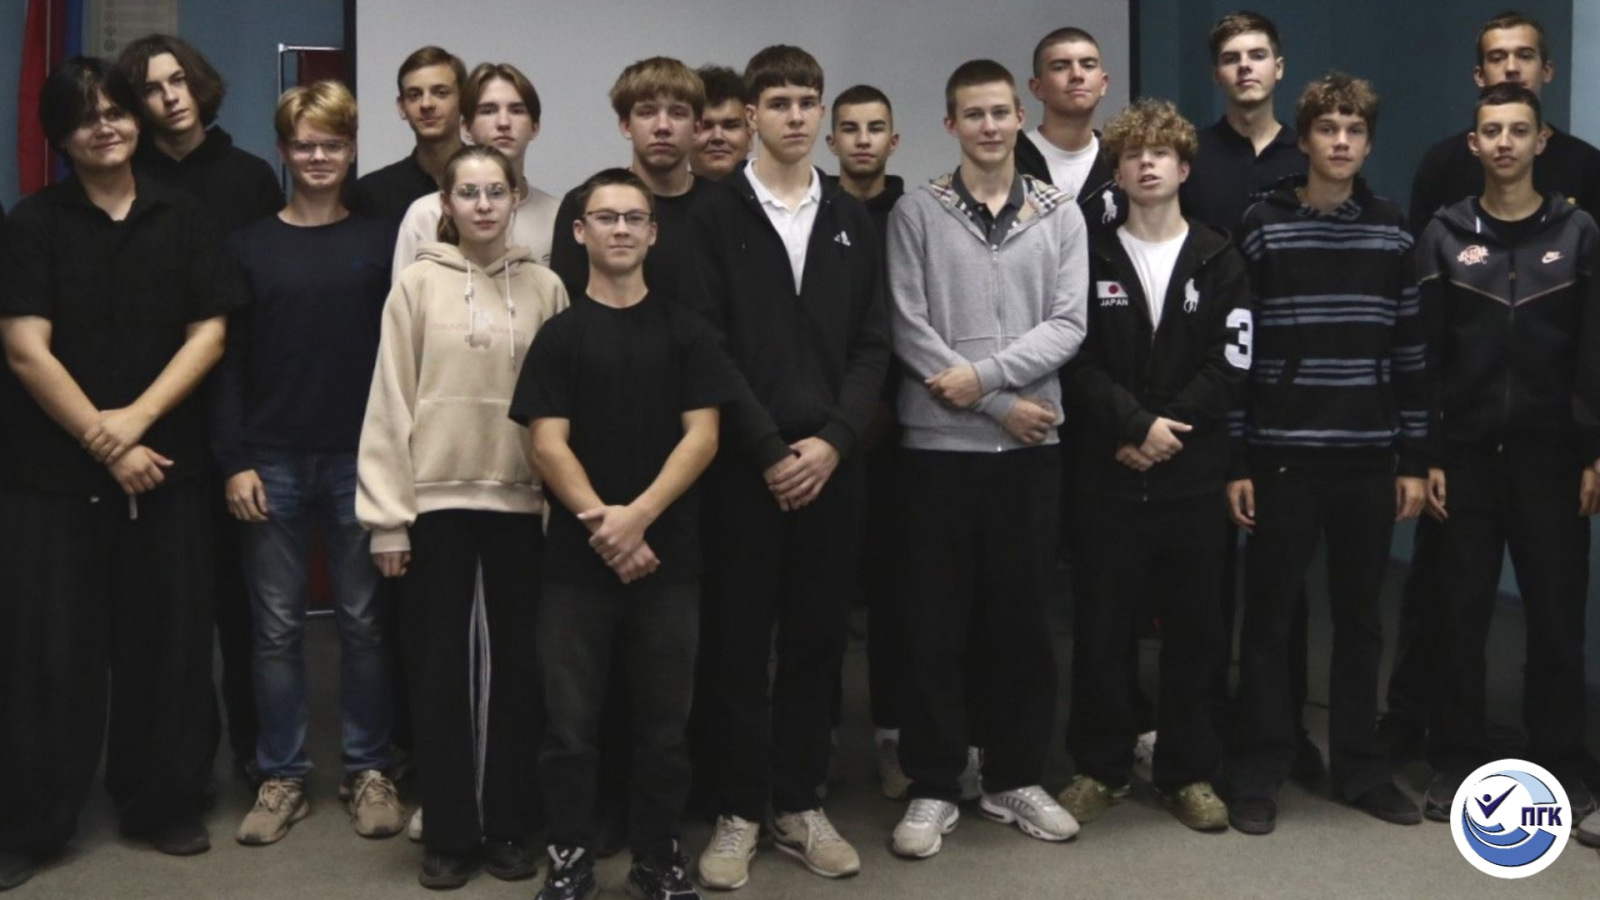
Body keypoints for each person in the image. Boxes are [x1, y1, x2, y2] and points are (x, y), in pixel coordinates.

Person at [0, 57, 242, 888]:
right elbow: (24, 350)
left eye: (115, 110)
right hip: (51, 479)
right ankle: (34, 821)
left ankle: (162, 803)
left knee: (168, 643)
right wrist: (107, 443)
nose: (104, 126)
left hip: (165, 467)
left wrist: (135, 422)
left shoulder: (184, 216)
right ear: (59, 136)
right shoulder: (32, 223)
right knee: (47, 654)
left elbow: (210, 334)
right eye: (84, 117)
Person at [688, 44, 888, 890]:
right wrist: (769, 450)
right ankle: (739, 810)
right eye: (779, 103)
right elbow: (705, 346)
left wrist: (835, 441)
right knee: (736, 645)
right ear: (751, 115)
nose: (796, 116)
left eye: (808, 101)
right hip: (744, 470)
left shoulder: (850, 216)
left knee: (816, 643)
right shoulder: (710, 215)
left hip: (832, 467)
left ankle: (800, 803)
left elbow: (874, 344)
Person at [1386, 9, 1600, 762]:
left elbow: (1594, 348)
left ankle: (1562, 764)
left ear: (1542, 141)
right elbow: (1421, 349)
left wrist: (1593, 448)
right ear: (1472, 142)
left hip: (1553, 457)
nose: (1504, 142)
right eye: (1491, 132)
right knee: (1458, 619)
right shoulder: (1443, 231)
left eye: (1518, 132)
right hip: (1465, 457)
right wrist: (1425, 451)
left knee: (1556, 624)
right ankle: (1453, 759)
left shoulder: (1580, 231)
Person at [886, 59, 1086, 859]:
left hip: (1030, 455)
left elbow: (1069, 323)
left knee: (1023, 622)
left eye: (1001, 112)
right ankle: (936, 784)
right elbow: (908, 327)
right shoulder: (916, 211)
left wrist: (989, 378)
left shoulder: (1060, 213)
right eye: (973, 114)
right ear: (951, 125)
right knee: (934, 624)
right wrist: (998, 401)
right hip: (939, 452)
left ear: (1019, 118)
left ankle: (1014, 777)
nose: (990, 126)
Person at [357, 144, 569, 889]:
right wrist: (387, 518)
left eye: (495, 192)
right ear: (445, 205)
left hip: (522, 508)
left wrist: (562, 505)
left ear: (515, 200)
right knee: (440, 672)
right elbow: (389, 400)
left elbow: (563, 408)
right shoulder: (417, 285)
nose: (483, 205)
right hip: (434, 507)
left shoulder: (545, 288)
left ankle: (506, 825)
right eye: (468, 193)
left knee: (517, 671)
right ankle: (449, 833)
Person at [518, 167, 733, 900]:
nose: (619, 229)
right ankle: (570, 857)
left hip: (669, 561)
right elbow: (546, 445)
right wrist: (605, 528)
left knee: (664, 728)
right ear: (579, 232)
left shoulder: (687, 331)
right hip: (575, 567)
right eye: (605, 217)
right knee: (569, 729)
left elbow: (703, 437)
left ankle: (657, 856)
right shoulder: (558, 337)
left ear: (652, 233)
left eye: (633, 218)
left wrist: (635, 518)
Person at [1223, 72, 1427, 834]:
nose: (1340, 142)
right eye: (1327, 129)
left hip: (1368, 456)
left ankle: (1361, 769)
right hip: (1281, 454)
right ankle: (1262, 766)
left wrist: (1414, 458)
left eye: (1354, 130)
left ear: (1368, 143)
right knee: (1270, 618)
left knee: (1360, 620)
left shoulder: (1393, 230)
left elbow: (1411, 349)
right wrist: (1236, 459)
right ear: (1304, 139)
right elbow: (1239, 348)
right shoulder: (1263, 226)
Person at [216, 81, 402, 847]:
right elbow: (226, 366)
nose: (318, 156)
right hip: (272, 462)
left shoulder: (384, 241)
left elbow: (404, 360)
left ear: (351, 149)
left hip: (363, 458)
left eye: (331, 143)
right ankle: (283, 776)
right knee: (274, 629)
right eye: (304, 144)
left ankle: (368, 769)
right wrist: (234, 460)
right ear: (283, 152)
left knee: (364, 624)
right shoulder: (249, 245)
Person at [1056, 98, 1249, 833]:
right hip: (1107, 472)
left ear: (1183, 168)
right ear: (1117, 170)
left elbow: (1231, 361)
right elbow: (1074, 357)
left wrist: (1168, 432)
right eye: (1132, 154)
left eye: (1159, 153)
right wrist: (1134, 425)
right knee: (1102, 628)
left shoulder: (1220, 256)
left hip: (1192, 477)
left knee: (1196, 633)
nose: (1145, 164)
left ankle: (1187, 772)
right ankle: (1100, 767)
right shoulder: (1089, 255)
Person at [115, 32, 285, 788]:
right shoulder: (127, 175)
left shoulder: (250, 177)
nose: (169, 97)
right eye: (152, 88)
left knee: (247, 604)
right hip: (159, 410)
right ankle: (177, 767)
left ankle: (256, 752)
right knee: (167, 606)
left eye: (178, 81)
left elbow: (269, 298)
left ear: (199, 84)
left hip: (242, 404)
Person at [820, 81, 913, 800]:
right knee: (820, 601)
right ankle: (815, 740)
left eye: (874, 128)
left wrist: (890, 406)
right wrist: (846, 417)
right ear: (832, 142)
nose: (861, 140)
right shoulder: (815, 211)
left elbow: (915, 318)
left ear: (893, 140)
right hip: (831, 430)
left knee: (898, 599)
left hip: (905, 434)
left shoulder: (917, 213)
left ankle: (893, 739)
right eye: (849, 129)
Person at [549, 57, 711, 306]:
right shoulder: (585, 203)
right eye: (647, 112)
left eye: (677, 113)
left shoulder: (721, 206)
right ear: (626, 125)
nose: (663, 126)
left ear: (697, 128)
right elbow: (570, 307)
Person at [392, 62, 559, 275]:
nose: (503, 122)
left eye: (517, 110)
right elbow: (405, 295)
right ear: (466, 127)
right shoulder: (425, 214)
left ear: (535, 127)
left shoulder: (557, 215)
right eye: (488, 110)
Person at [1181, 11, 1307, 236]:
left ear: (1278, 68)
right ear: (1216, 75)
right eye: (1231, 59)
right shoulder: (1191, 155)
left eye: (1257, 56)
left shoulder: (1308, 155)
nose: (1245, 66)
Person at [1016, 26, 1124, 230]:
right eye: (1060, 67)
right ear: (1036, 88)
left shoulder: (1120, 161)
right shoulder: (1009, 162)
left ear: (1103, 84)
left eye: (1088, 65)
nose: (1077, 75)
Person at [353, 46, 467, 229]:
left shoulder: (491, 181)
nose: (426, 104)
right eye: (414, 95)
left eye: (441, 93)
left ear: (464, 100)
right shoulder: (372, 193)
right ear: (402, 107)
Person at [691, 65, 752, 180]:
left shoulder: (774, 192)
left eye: (730, 126)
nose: (717, 137)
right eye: (705, 126)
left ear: (750, 137)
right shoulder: (655, 192)